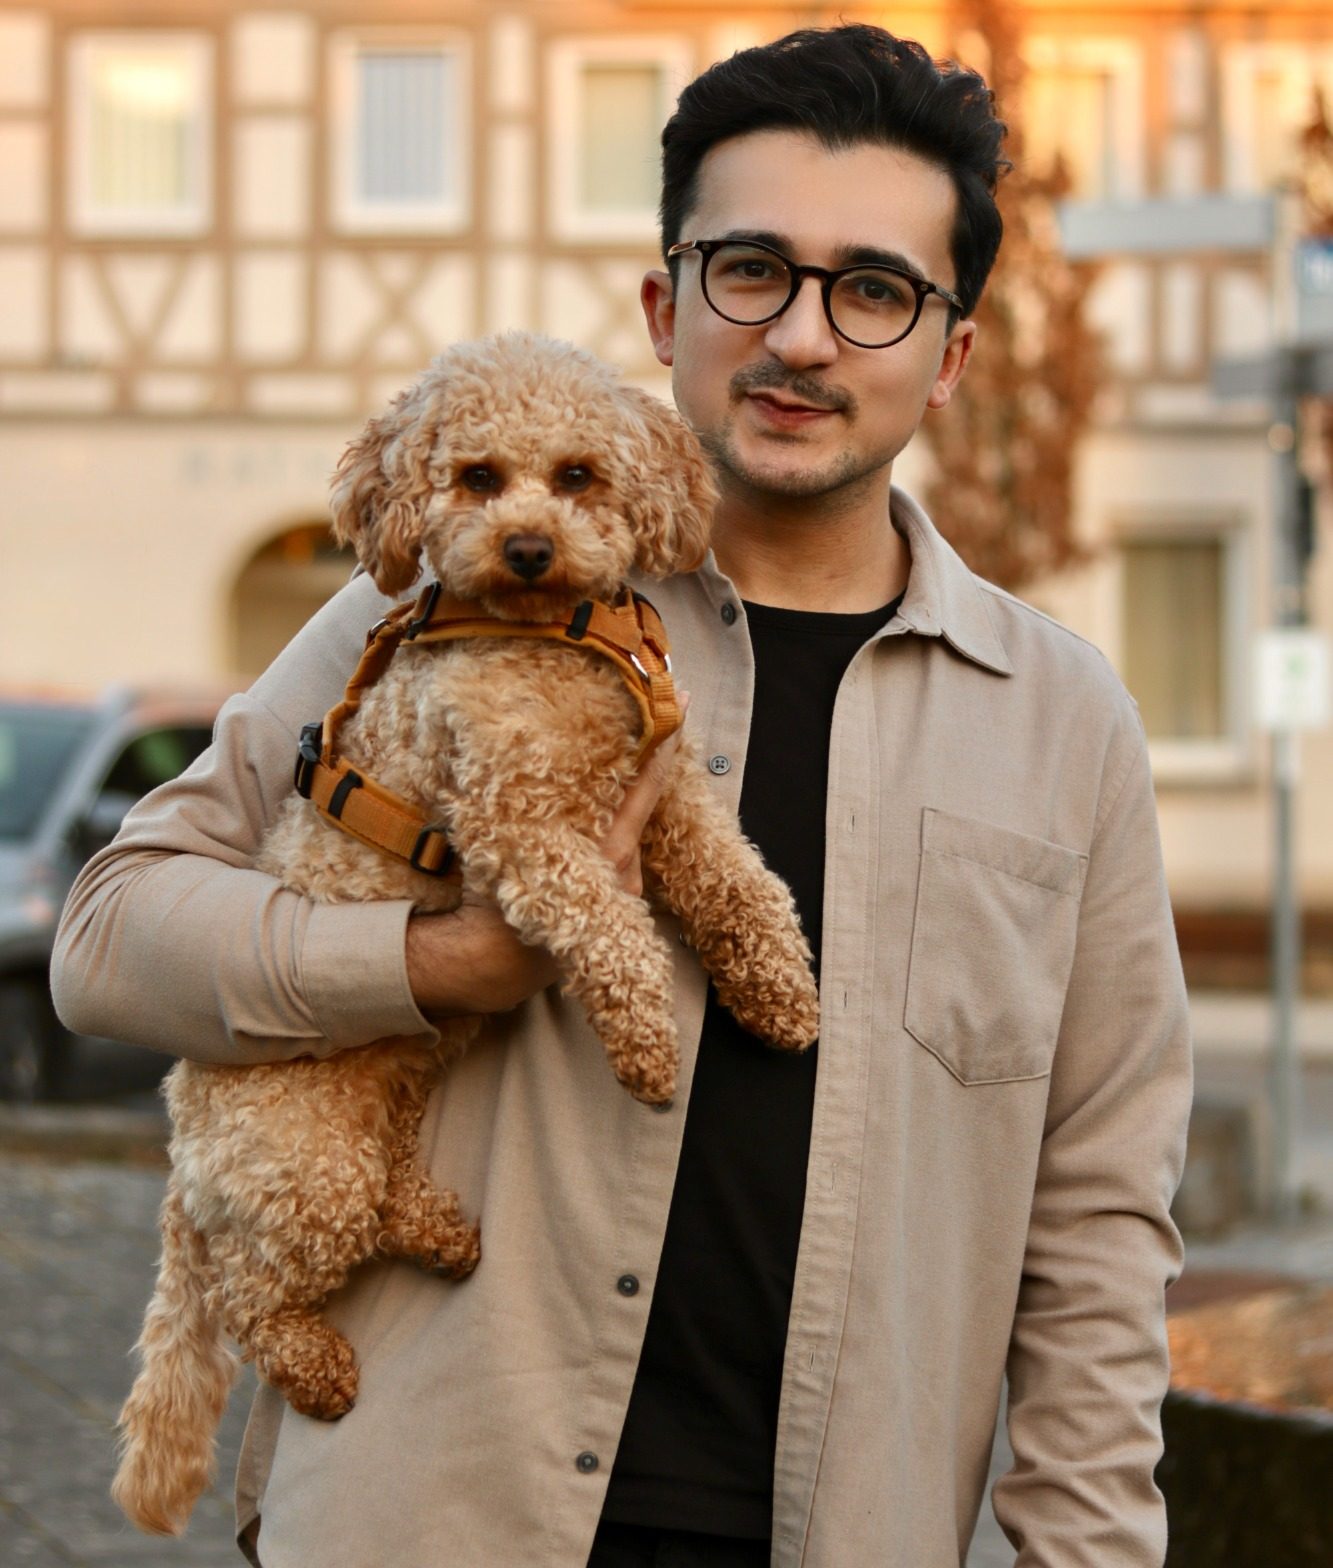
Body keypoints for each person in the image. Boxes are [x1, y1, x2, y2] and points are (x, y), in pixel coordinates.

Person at [52, 24, 1192, 1568]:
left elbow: (1100, 1220)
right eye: (749, 271)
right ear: (666, 305)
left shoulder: (1064, 726)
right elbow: (109, 941)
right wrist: (430, 964)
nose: (801, 337)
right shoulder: (430, 621)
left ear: (950, 353)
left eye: (872, 290)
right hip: (426, 1517)